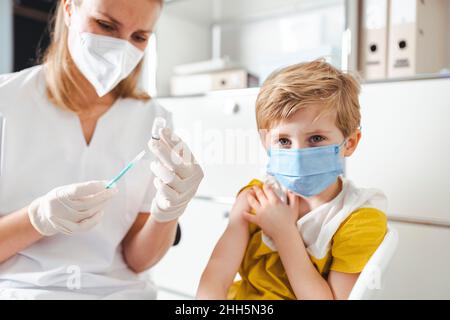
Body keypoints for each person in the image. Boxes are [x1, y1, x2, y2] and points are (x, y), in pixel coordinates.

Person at [0, 0, 203, 299]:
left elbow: (138, 260)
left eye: (139, 37)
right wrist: (38, 217)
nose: (121, 48)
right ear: (69, 9)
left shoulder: (154, 120)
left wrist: (168, 211)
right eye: (106, 25)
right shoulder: (7, 102)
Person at [197, 60, 388, 300]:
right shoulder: (255, 198)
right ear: (266, 142)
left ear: (349, 142)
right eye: (284, 141)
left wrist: (285, 233)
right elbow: (216, 276)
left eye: (316, 138)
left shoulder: (357, 219)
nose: (297, 154)